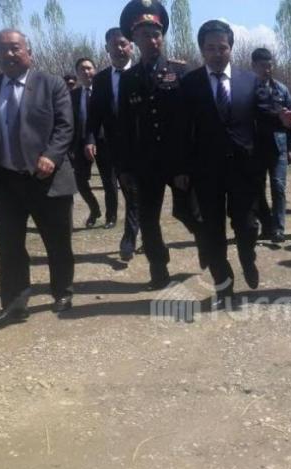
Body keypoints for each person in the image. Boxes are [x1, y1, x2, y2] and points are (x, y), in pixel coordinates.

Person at [180, 20, 291, 310]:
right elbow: (180, 129)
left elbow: (263, 113)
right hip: (206, 171)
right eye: (210, 48)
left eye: (222, 47)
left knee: (247, 225)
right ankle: (224, 286)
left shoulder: (249, 80)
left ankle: (247, 256)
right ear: (202, 50)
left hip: (244, 169)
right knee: (213, 231)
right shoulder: (190, 83)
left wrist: (280, 119)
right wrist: (181, 168)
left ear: (231, 48)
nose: (217, 53)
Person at [0, 29, 77, 327]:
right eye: (1, 49)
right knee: (9, 246)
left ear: (28, 52)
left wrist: (51, 155)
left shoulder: (51, 84)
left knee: (57, 242)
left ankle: (62, 291)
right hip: (6, 181)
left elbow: (65, 126)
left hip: (46, 179)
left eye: (15, 48)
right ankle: (15, 303)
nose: (8, 54)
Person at [116, 0, 204, 289]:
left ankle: (205, 243)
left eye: (156, 35)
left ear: (162, 37)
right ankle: (158, 268)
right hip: (145, 163)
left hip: (178, 161)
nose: (152, 40)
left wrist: (187, 165)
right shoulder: (128, 79)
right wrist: (124, 167)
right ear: (135, 39)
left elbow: (191, 121)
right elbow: (124, 125)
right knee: (148, 219)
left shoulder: (180, 71)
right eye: (145, 35)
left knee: (187, 212)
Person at [85, 28, 137, 259]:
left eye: (123, 44)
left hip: (145, 147)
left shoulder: (142, 72)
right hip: (116, 148)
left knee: (138, 196)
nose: (119, 48)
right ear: (107, 48)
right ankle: (132, 236)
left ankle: (131, 237)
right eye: (114, 45)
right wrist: (90, 139)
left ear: (131, 46)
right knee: (130, 194)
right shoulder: (101, 79)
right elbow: (94, 114)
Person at [251, 48, 291, 244]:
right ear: (253, 66)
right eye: (262, 65)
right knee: (257, 190)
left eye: (269, 65)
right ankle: (267, 225)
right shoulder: (248, 90)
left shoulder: (281, 90)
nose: (267, 69)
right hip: (255, 147)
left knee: (278, 187)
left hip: (278, 146)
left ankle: (278, 229)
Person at [70, 57, 117, 228]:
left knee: (109, 181)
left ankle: (111, 217)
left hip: (104, 142)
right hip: (81, 143)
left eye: (89, 68)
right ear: (77, 73)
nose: (86, 72)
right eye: (82, 69)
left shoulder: (104, 91)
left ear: (95, 70)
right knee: (80, 181)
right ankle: (94, 209)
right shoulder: (73, 95)